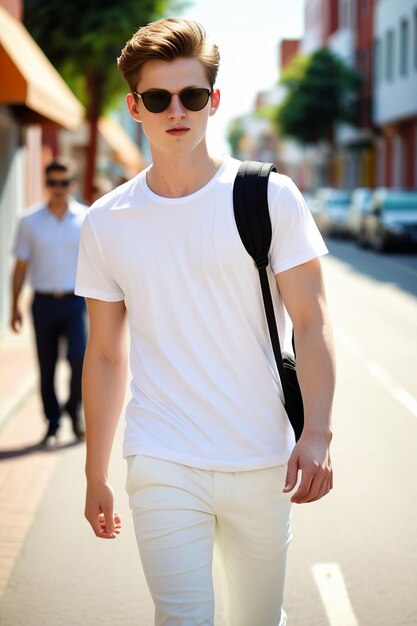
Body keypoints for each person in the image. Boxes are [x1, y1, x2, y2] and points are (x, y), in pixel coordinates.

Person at [76, 18, 336, 626]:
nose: (178, 111)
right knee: (183, 617)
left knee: (257, 618)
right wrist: (96, 472)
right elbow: (107, 355)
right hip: (163, 455)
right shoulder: (106, 222)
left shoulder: (270, 197)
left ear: (213, 100)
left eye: (192, 96)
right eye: (159, 98)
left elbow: (311, 320)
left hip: (263, 459)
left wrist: (317, 432)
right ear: (134, 106)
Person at [11, 158, 88, 446]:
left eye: (64, 182)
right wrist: (13, 306)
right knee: (46, 366)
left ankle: (74, 409)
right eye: (53, 183)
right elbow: (19, 267)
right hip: (42, 303)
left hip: (75, 302)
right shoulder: (29, 221)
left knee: (80, 358)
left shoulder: (86, 218)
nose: (59, 188)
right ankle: (53, 422)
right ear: (46, 185)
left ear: (73, 185)